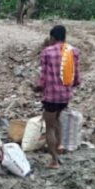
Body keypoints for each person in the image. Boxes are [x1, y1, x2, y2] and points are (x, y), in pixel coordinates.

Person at [34, 24, 81, 169]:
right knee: (57, 121)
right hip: (65, 96)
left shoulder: (47, 52)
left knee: (49, 126)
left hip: (51, 96)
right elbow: (77, 77)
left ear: (52, 37)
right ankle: (59, 147)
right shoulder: (73, 51)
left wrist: (37, 87)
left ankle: (54, 160)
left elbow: (43, 77)